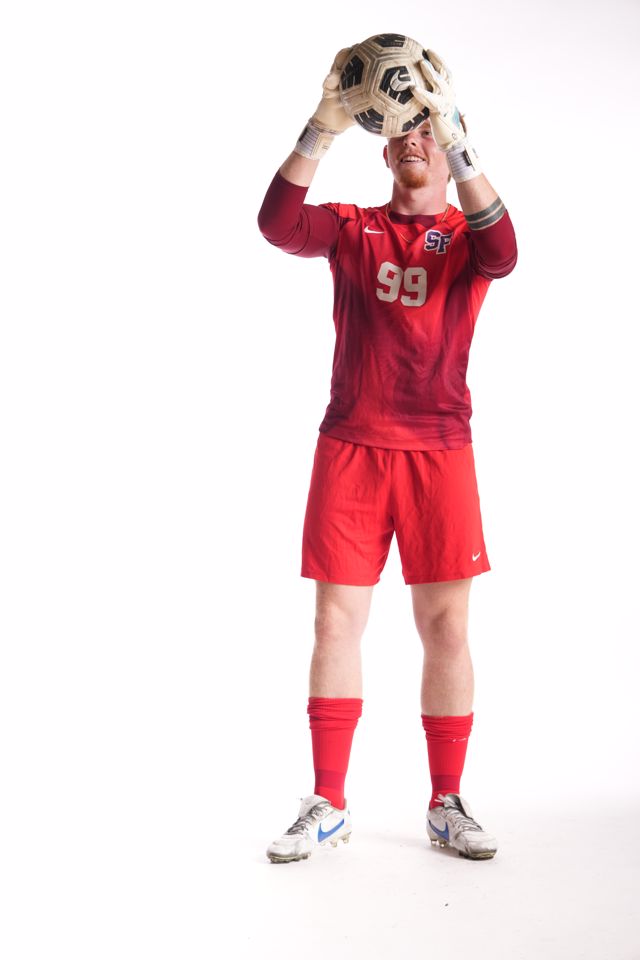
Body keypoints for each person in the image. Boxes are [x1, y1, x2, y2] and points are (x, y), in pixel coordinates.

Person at [257, 42, 517, 864]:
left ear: (448, 142)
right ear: (381, 142)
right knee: (335, 620)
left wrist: (458, 135)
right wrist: (321, 124)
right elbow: (276, 225)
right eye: (404, 129)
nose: (416, 140)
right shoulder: (352, 228)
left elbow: (506, 252)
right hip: (352, 446)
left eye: (429, 131)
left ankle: (446, 802)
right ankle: (328, 802)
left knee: (446, 625)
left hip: (440, 450)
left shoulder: (466, 236)